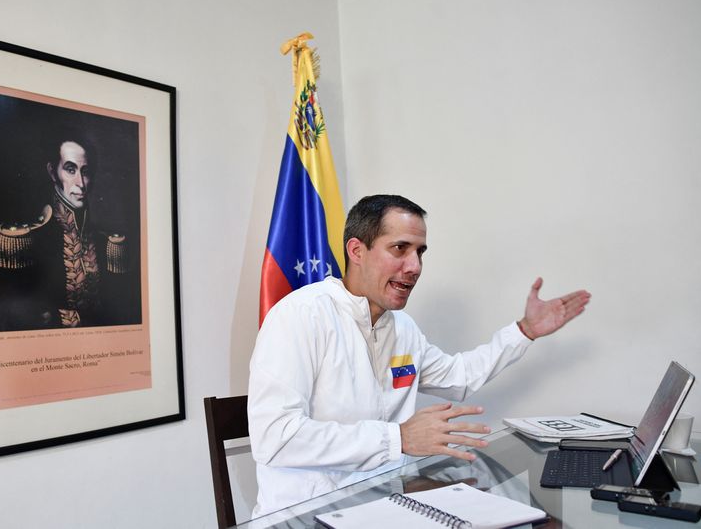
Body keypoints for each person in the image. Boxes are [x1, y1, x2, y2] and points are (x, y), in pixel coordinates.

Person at [247, 194, 591, 517]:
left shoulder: (403, 328)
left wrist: (524, 331)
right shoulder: (300, 316)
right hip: (307, 515)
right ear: (357, 250)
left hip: (385, 506)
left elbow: (459, 378)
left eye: (420, 252)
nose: (414, 266)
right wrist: (399, 438)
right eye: (400, 248)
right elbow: (275, 439)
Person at [0, 137, 139, 331]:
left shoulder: (110, 244)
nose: (80, 183)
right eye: (70, 170)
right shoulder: (22, 240)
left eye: (85, 172)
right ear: (53, 172)